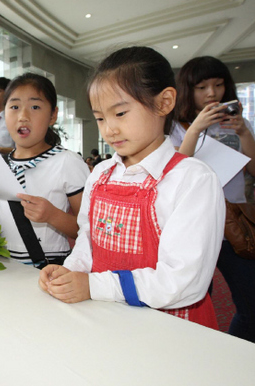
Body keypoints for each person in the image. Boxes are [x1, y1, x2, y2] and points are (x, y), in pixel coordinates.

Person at [38, 46, 225, 329]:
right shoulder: (101, 174)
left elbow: (183, 282)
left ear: (164, 102)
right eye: (100, 117)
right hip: (108, 318)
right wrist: (70, 271)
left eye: (121, 113)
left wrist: (94, 286)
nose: (109, 129)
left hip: (171, 329)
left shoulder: (192, 179)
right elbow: (88, 243)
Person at [0, 73, 89, 267]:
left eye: (35, 107)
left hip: (49, 271)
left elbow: (90, 230)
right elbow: (1, 221)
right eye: (14, 107)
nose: (23, 116)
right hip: (6, 269)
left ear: (53, 115)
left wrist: (52, 216)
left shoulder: (67, 162)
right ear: (4, 113)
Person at [171, 56, 255, 341]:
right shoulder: (175, 127)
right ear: (187, 89)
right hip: (193, 226)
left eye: (218, 85)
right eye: (202, 87)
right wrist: (196, 128)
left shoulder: (236, 125)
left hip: (233, 228)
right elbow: (174, 171)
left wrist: (244, 132)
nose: (211, 93)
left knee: (250, 303)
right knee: (191, 302)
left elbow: (254, 170)